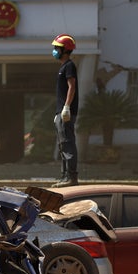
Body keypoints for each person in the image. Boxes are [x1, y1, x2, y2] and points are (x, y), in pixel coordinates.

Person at [51, 34, 79, 187]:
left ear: (65, 50)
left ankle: (71, 177)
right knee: (63, 145)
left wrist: (67, 107)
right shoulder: (63, 67)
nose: (55, 51)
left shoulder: (69, 66)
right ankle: (64, 176)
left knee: (68, 143)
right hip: (61, 112)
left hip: (66, 112)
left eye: (57, 48)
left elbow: (72, 87)